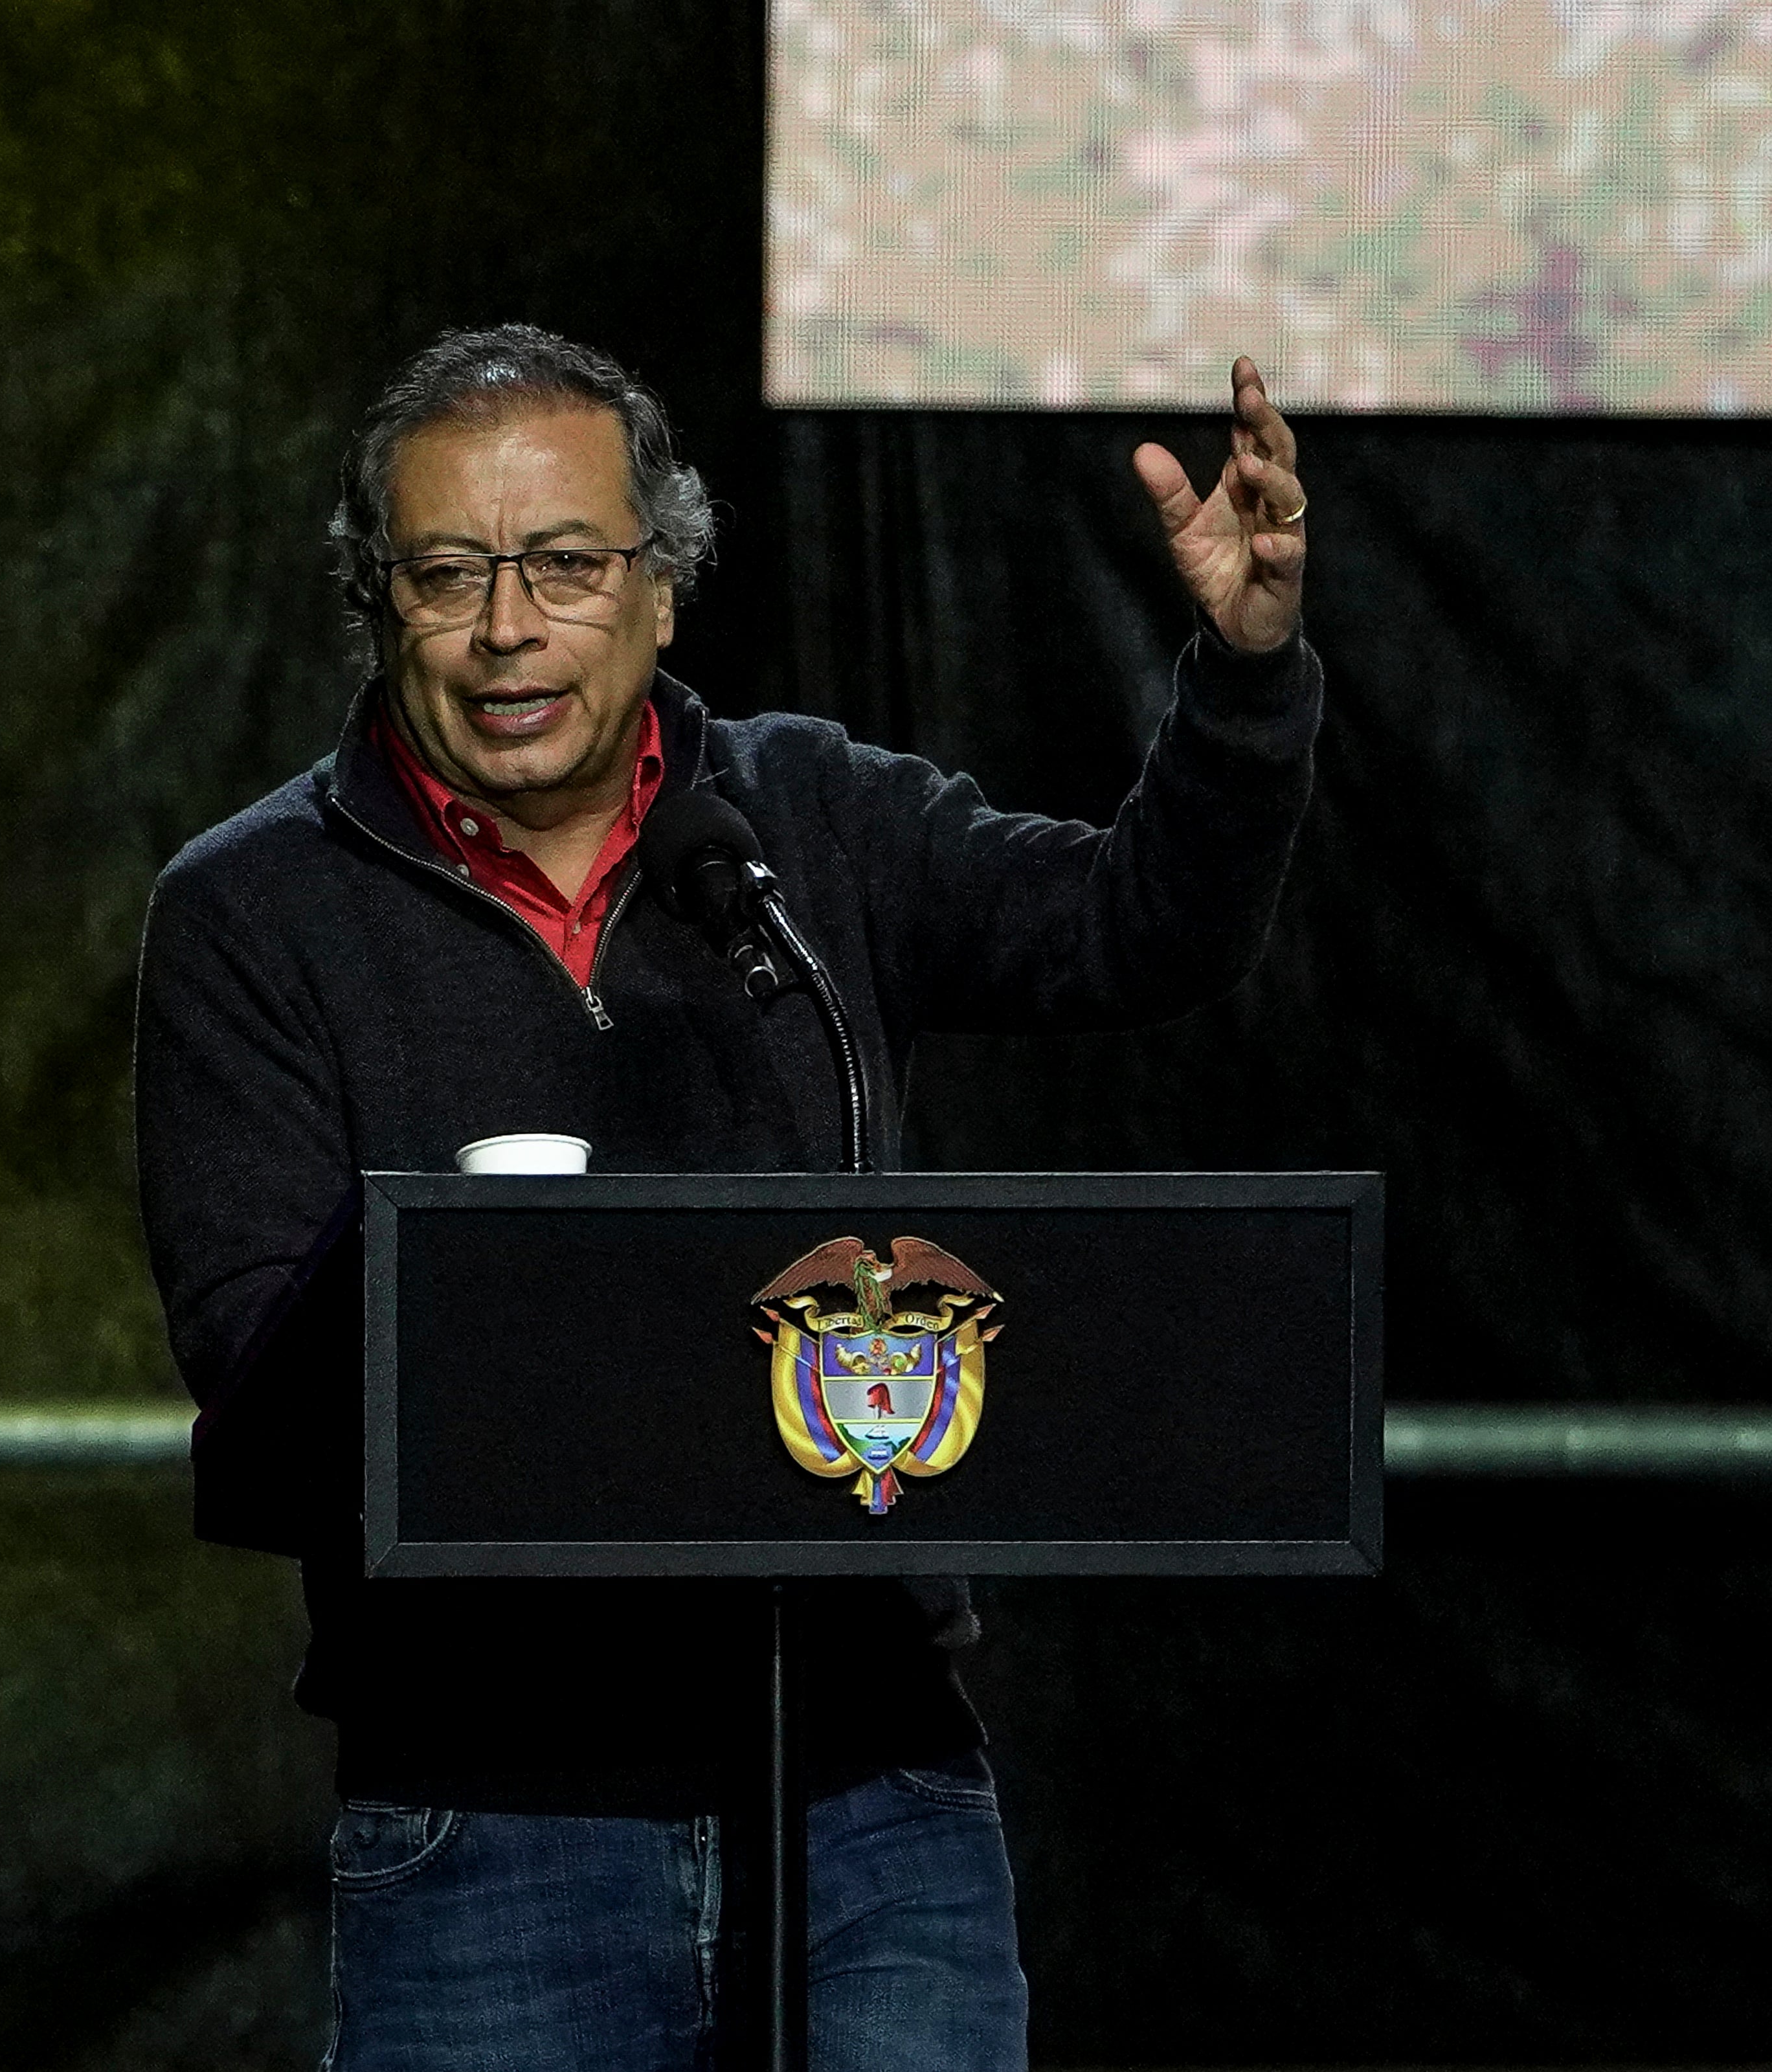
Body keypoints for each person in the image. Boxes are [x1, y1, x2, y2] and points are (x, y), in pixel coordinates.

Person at [132, 324, 1318, 2072]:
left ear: (664, 591)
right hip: (494, 1826)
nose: (508, 626)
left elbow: (1136, 931)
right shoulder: (252, 911)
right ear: (378, 603)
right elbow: (261, 1354)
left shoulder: (803, 824)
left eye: (567, 565)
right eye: (448, 572)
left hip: (872, 1799)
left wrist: (1240, 679)